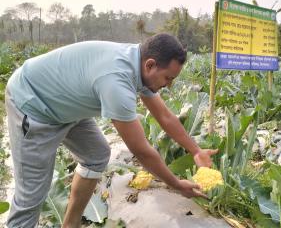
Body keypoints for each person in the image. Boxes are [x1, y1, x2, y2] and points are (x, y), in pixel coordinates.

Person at [5, 33, 218, 228]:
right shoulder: (117, 80)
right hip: (33, 104)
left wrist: (196, 150)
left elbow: (164, 116)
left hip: (66, 104)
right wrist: (176, 184)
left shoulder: (139, 65)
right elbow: (141, 150)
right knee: (31, 197)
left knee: (96, 155)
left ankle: (70, 225)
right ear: (151, 65)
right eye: (168, 79)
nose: (169, 85)